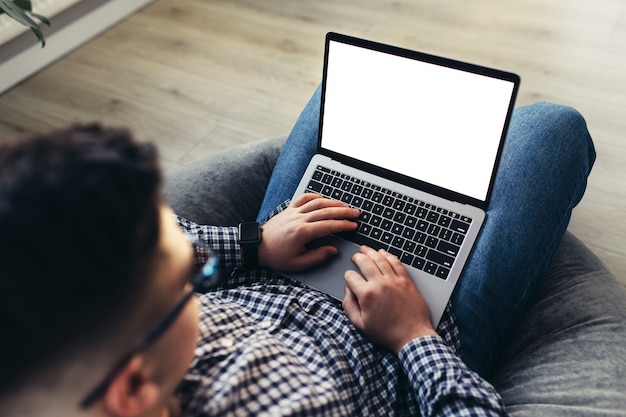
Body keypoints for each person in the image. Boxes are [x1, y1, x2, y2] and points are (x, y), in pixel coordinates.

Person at [0, 87, 594, 417]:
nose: (194, 262)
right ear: (131, 390)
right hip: (422, 323)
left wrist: (256, 244)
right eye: (188, 275)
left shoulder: (74, 343)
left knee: (348, 91)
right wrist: (414, 336)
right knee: (552, 126)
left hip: (284, 261)